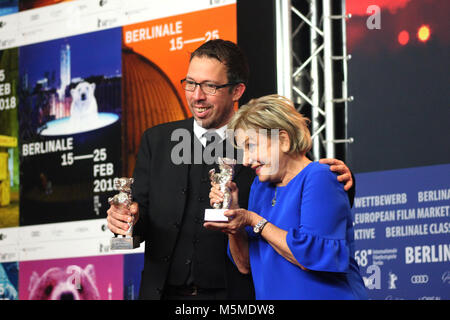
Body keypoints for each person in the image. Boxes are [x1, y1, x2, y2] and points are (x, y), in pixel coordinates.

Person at [106, 40, 355, 300]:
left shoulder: (261, 144)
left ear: (237, 91)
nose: (197, 95)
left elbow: (306, 187)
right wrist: (124, 225)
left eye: (210, 86)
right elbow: (133, 233)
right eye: (190, 83)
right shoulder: (156, 141)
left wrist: (345, 181)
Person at [207, 94, 368, 300]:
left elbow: (312, 257)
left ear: (283, 140)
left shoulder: (320, 176)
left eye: (251, 146)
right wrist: (234, 222)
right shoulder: (261, 187)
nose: (245, 161)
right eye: (242, 150)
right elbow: (245, 265)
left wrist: (254, 220)